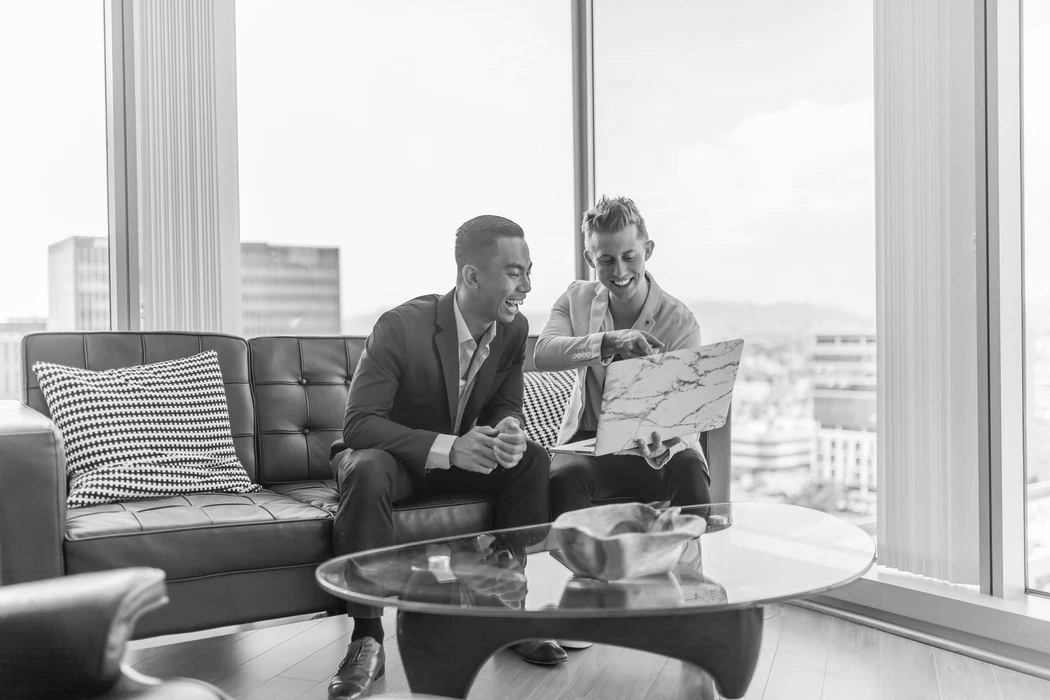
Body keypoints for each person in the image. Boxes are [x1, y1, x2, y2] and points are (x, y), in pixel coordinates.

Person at [326, 215, 564, 700]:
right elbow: (359, 425)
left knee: (532, 460)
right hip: (394, 462)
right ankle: (366, 638)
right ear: (471, 276)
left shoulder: (513, 331)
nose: (527, 285)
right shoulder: (400, 326)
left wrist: (510, 429)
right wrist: (449, 446)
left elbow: (505, 402)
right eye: (515, 272)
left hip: (460, 460)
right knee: (367, 469)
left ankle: (505, 607)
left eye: (529, 270)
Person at [534, 196, 713, 521]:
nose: (619, 271)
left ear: (648, 249)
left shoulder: (680, 322)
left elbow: (689, 416)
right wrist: (608, 342)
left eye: (629, 257)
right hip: (589, 443)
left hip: (660, 445)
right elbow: (544, 352)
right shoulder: (575, 300)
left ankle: (687, 569)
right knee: (565, 478)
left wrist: (666, 444)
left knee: (689, 472)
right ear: (590, 257)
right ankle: (577, 568)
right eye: (606, 260)